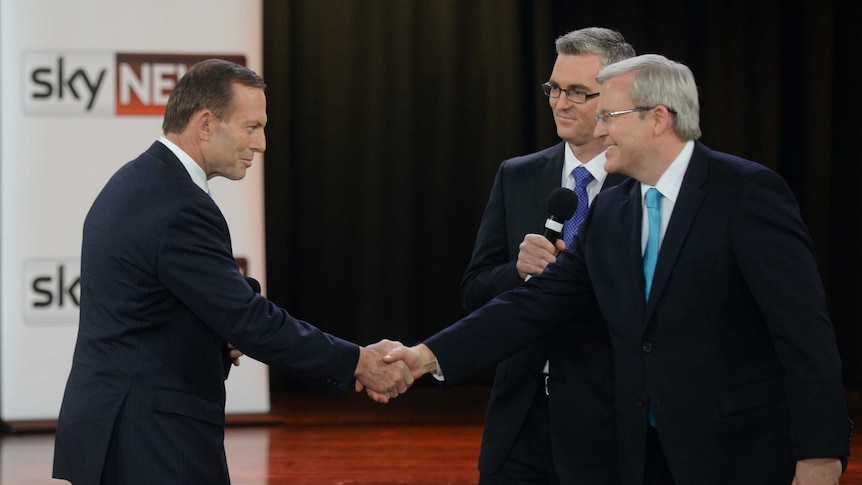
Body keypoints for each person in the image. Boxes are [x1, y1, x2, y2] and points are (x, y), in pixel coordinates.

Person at [385, 54, 852, 484]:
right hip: (638, 454)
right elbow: (533, 306)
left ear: (658, 119)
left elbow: (803, 331)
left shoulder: (746, 193)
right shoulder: (611, 211)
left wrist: (820, 454)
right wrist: (426, 357)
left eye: (609, 116)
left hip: (738, 454)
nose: (600, 130)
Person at [52, 59, 412, 485]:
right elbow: (248, 320)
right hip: (150, 440)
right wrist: (357, 362)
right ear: (205, 124)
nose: (261, 143)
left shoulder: (138, 181)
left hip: (116, 430)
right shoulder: (179, 205)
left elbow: (172, 296)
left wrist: (224, 322)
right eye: (251, 127)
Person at [460, 27, 633, 484]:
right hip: (519, 420)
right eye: (555, 88)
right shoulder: (517, 176)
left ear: (616, 96)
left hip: (609, 424)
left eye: (578, 92)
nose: (560, 103)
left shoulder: (642, 186)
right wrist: (517, 272)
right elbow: (474, 290)